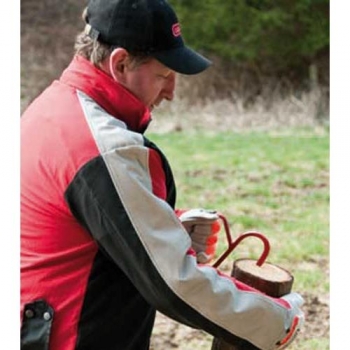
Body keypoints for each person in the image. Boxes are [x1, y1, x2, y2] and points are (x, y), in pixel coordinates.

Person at [20, 0, 304, 349]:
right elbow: (175, 282)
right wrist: (277, 321)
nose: (171, 92)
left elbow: (68, 226)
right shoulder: (103, 147)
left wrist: (161, 223)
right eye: (164, 75)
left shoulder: (52, 108)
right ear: (120, 62)